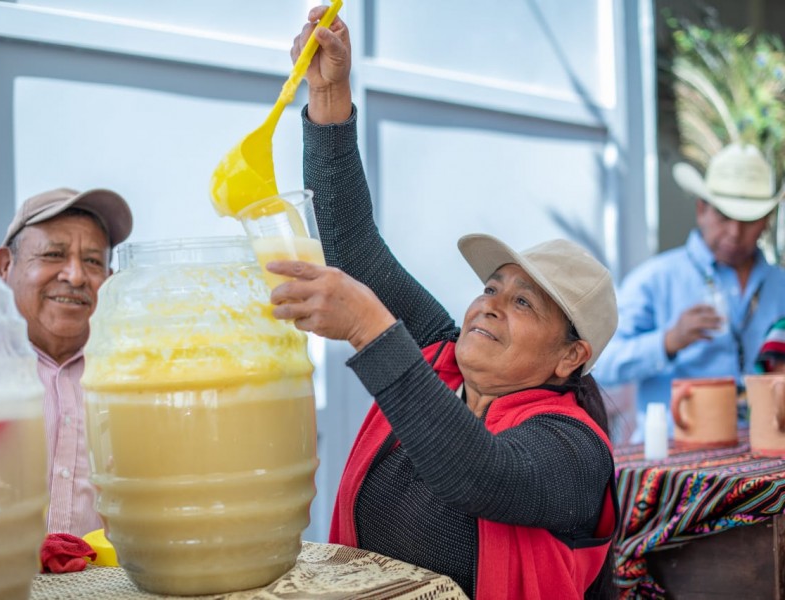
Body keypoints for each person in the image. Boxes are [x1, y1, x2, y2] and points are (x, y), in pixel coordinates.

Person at [262, 9, 619, 599]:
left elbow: (479, 474)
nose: (490, 305)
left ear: (569, 356)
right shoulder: (439, 357)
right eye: (490, 288)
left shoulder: (574, 451)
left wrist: (370, 327)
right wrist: (329, 94)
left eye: (524, 302)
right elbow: (352, 244)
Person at [594, 143, 785, 440]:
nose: (735, 233)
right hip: (674, 460)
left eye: (748, 220)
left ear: (766, 221)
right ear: (701, 210)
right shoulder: (654, 279)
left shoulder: (780, 284)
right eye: (724, 217)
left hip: (766, 451)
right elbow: (600, 364)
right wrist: (667, 341)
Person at [0, 187, 133, 537]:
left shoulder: (137, 379)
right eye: (54, 254)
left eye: (92, 261)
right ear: (6, 266)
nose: (75, 276)